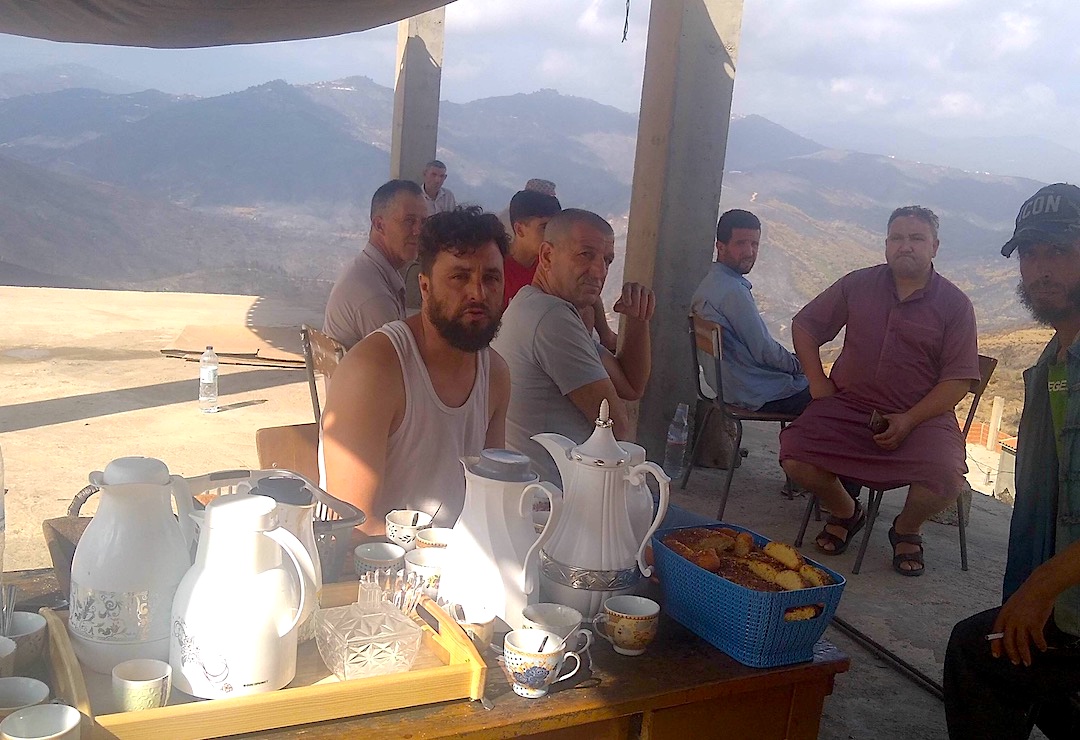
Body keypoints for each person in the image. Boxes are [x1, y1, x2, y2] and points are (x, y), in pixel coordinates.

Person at [944, 183, 1080, 739]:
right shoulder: (1056, 359)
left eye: (1059, 250)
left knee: (977, 659)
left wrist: (1043, 586)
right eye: (1029, 253)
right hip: (1065, 606)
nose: (1040, 268)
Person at [779, 205, 980, 575]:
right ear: (886, 245)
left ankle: (906, 528)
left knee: (946, 478)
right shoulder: (857, 285)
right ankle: (847, 511)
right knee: (794, 454)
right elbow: (806, 326)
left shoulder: (955, 306)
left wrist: (909, 419)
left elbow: (958, 381)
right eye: (897, 238)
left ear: (934, 246)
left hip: (921, 417)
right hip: (849, 406)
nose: (906, 246)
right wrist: (817, 382)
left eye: (916, 238)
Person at [321, 206, 511, 536]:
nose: (477, 293)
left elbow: (491, 495)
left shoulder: (495, 374)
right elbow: (353, 526)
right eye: (459, 277)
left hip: (461, 565)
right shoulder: (376, 370)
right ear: (425, 287)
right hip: (379, 574)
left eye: (491, 278)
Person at [492, 208, 655, 483]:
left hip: (549, 490)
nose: (599, 271)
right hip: (553, 499)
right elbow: (617, 427)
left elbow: (631, 385)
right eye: (585, 255)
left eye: (607, 260)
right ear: (547, 256)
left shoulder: (543, 305)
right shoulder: (550, 317)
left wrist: (638, 320)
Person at [691, 209, 810, 413]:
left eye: (754, 244)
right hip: (755, 394)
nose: (749, 252)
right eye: (741, 243)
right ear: (721, 246)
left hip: (728, 388)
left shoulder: (711, 282)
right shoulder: (733, 291)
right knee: (831, 397)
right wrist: (800, 365)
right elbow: (765, 350)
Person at [322, 179, 426, 349]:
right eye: (409, 221)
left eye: (423, 222)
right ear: (379, 225)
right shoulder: (375, 296)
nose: (418, 231)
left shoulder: (366, 269)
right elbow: (400, 365)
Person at [503, 189, 562, 306]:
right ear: (519, 229)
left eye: (554, 227)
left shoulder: (551, 264)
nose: (552, 234)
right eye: (544, 227)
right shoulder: (498, 269)